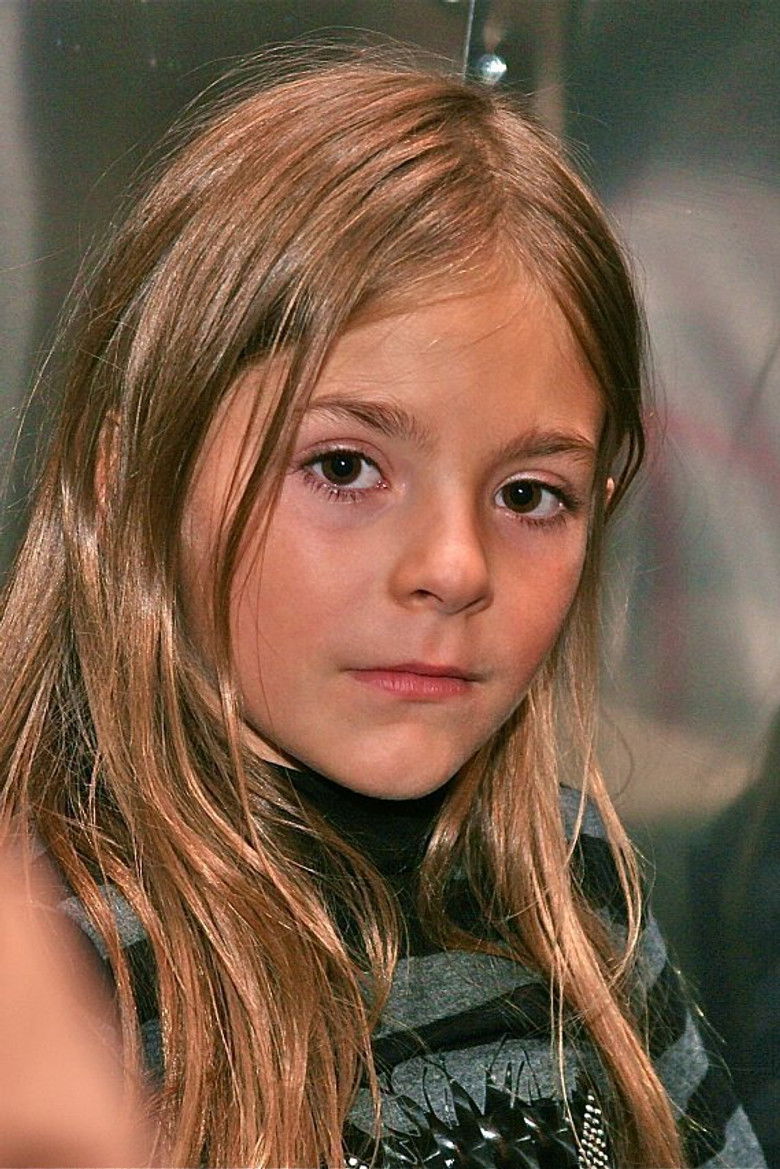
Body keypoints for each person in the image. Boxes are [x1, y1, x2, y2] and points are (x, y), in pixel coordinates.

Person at [0, 55, 766, 1169]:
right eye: (344, 466)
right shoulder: (53, 974)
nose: (455, 566)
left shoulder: (578, 887)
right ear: (132, 483)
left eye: (528, 495)